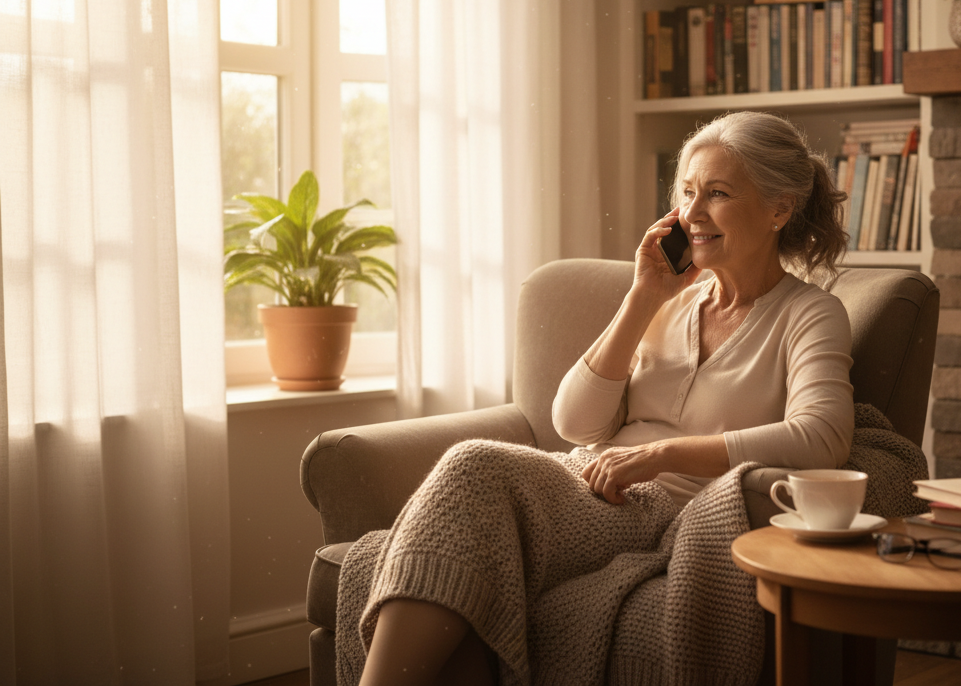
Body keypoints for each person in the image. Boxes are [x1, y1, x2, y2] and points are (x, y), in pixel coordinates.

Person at [355, 111, 853, 686]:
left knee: (472, 463)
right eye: (687, 193)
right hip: (584, 482)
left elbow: (822, 438)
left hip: (657, 510)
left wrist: (661, 456)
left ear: (779, 208)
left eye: (716, 194)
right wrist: (645, 296)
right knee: (424, 563)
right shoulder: (670, 302)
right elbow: (572, 421)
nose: (691, 214)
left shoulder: (810, 314)